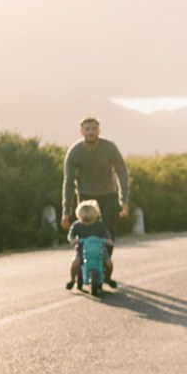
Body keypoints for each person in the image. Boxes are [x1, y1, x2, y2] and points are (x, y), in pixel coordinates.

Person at [61, 117, 129, 288]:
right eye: (87, 129)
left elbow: (122, 172)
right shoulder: (75, 152)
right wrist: (66, 211)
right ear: (81, 131)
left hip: (108, 194)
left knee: (107, 234)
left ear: (99, 131)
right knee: (84, 232)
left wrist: (123, 200)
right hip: (85, 195)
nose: (90, 132)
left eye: (93, 128)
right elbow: (68, 182)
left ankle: (104, 269)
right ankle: (81, 266)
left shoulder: (109, 148)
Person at [65, 199, 114, 291]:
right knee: (75, 262)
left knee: (109, 263)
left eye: (90, 221)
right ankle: (72, 280)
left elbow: (106, 234)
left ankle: (108, 278)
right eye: (84, 221)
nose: (87, 224)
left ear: (95, 217)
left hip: (99, 250)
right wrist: (73, 240)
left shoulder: (99, 225)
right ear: (80, 217)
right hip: (82, 249)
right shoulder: (77, 225)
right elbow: (71, 235)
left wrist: (108, 240)